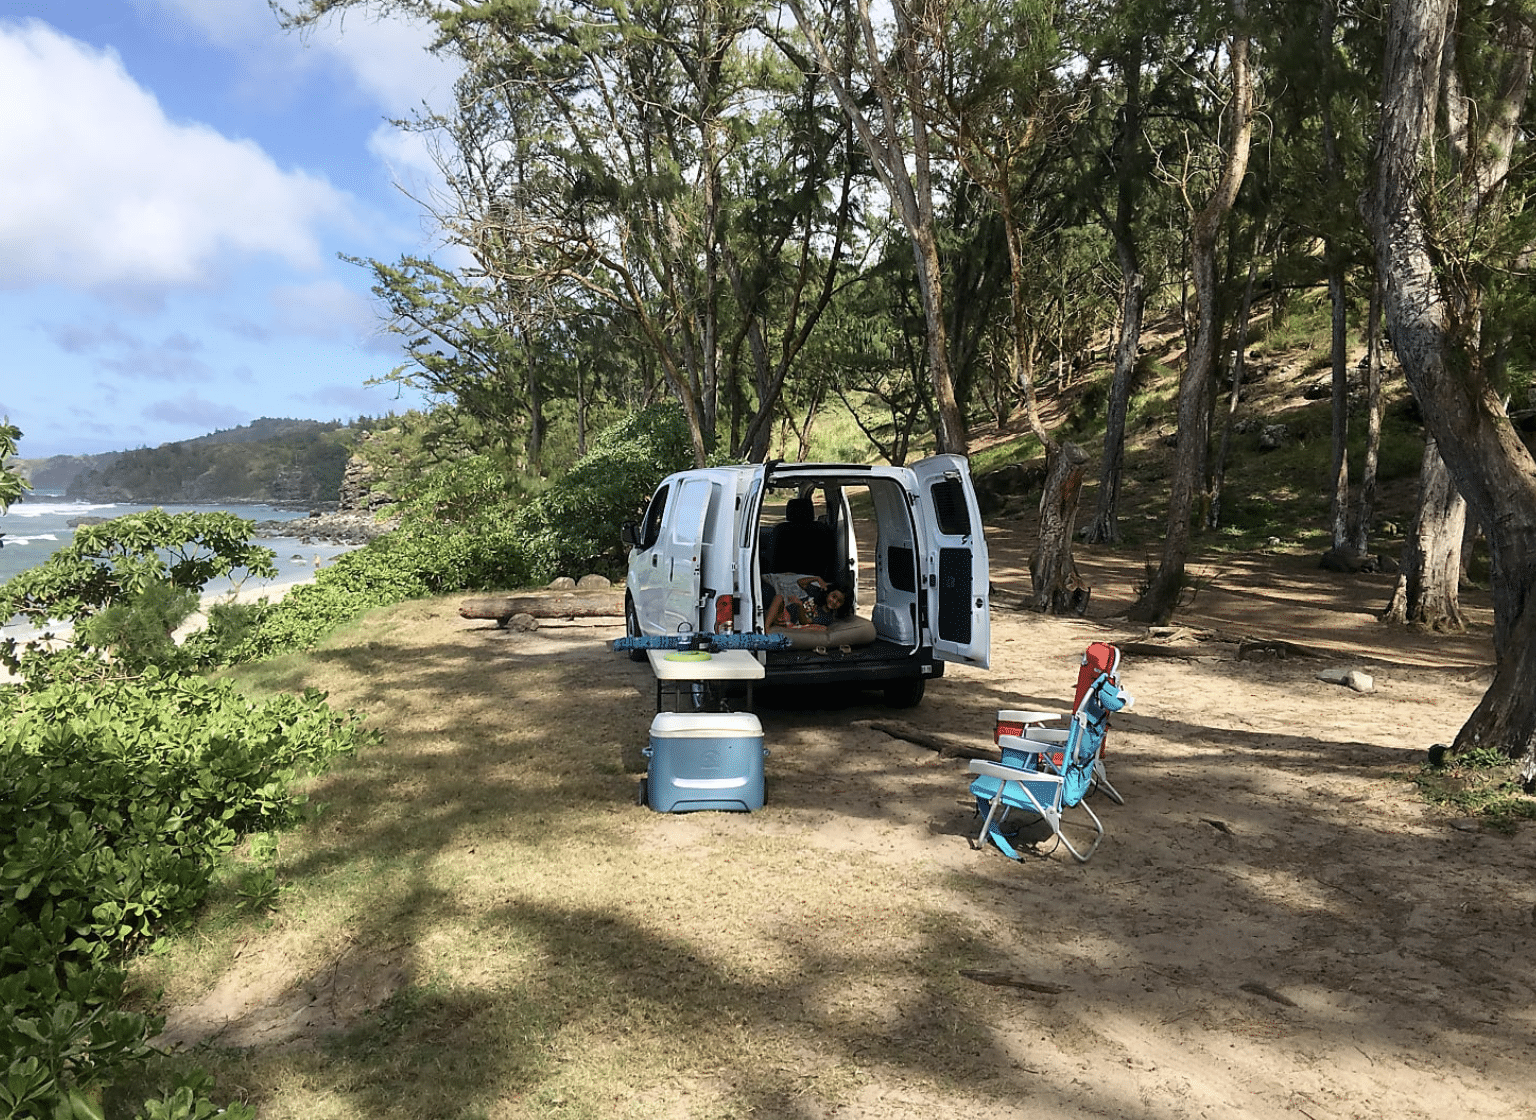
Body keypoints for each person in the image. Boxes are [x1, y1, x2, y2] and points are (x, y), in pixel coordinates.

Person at [764, 573, 849, 631]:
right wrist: (817, 578)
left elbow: (805, 621)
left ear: (842, 606)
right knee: (776, 596)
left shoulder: (827, 617)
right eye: (833, 596)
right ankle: (765, 628)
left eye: (839, 601)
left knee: (775, 596)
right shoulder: (817, 594)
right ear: (828, 593)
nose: (834, 601)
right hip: (783, 612)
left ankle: (766, 630)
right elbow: (800, 583)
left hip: (790, 621)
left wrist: (800, 606)